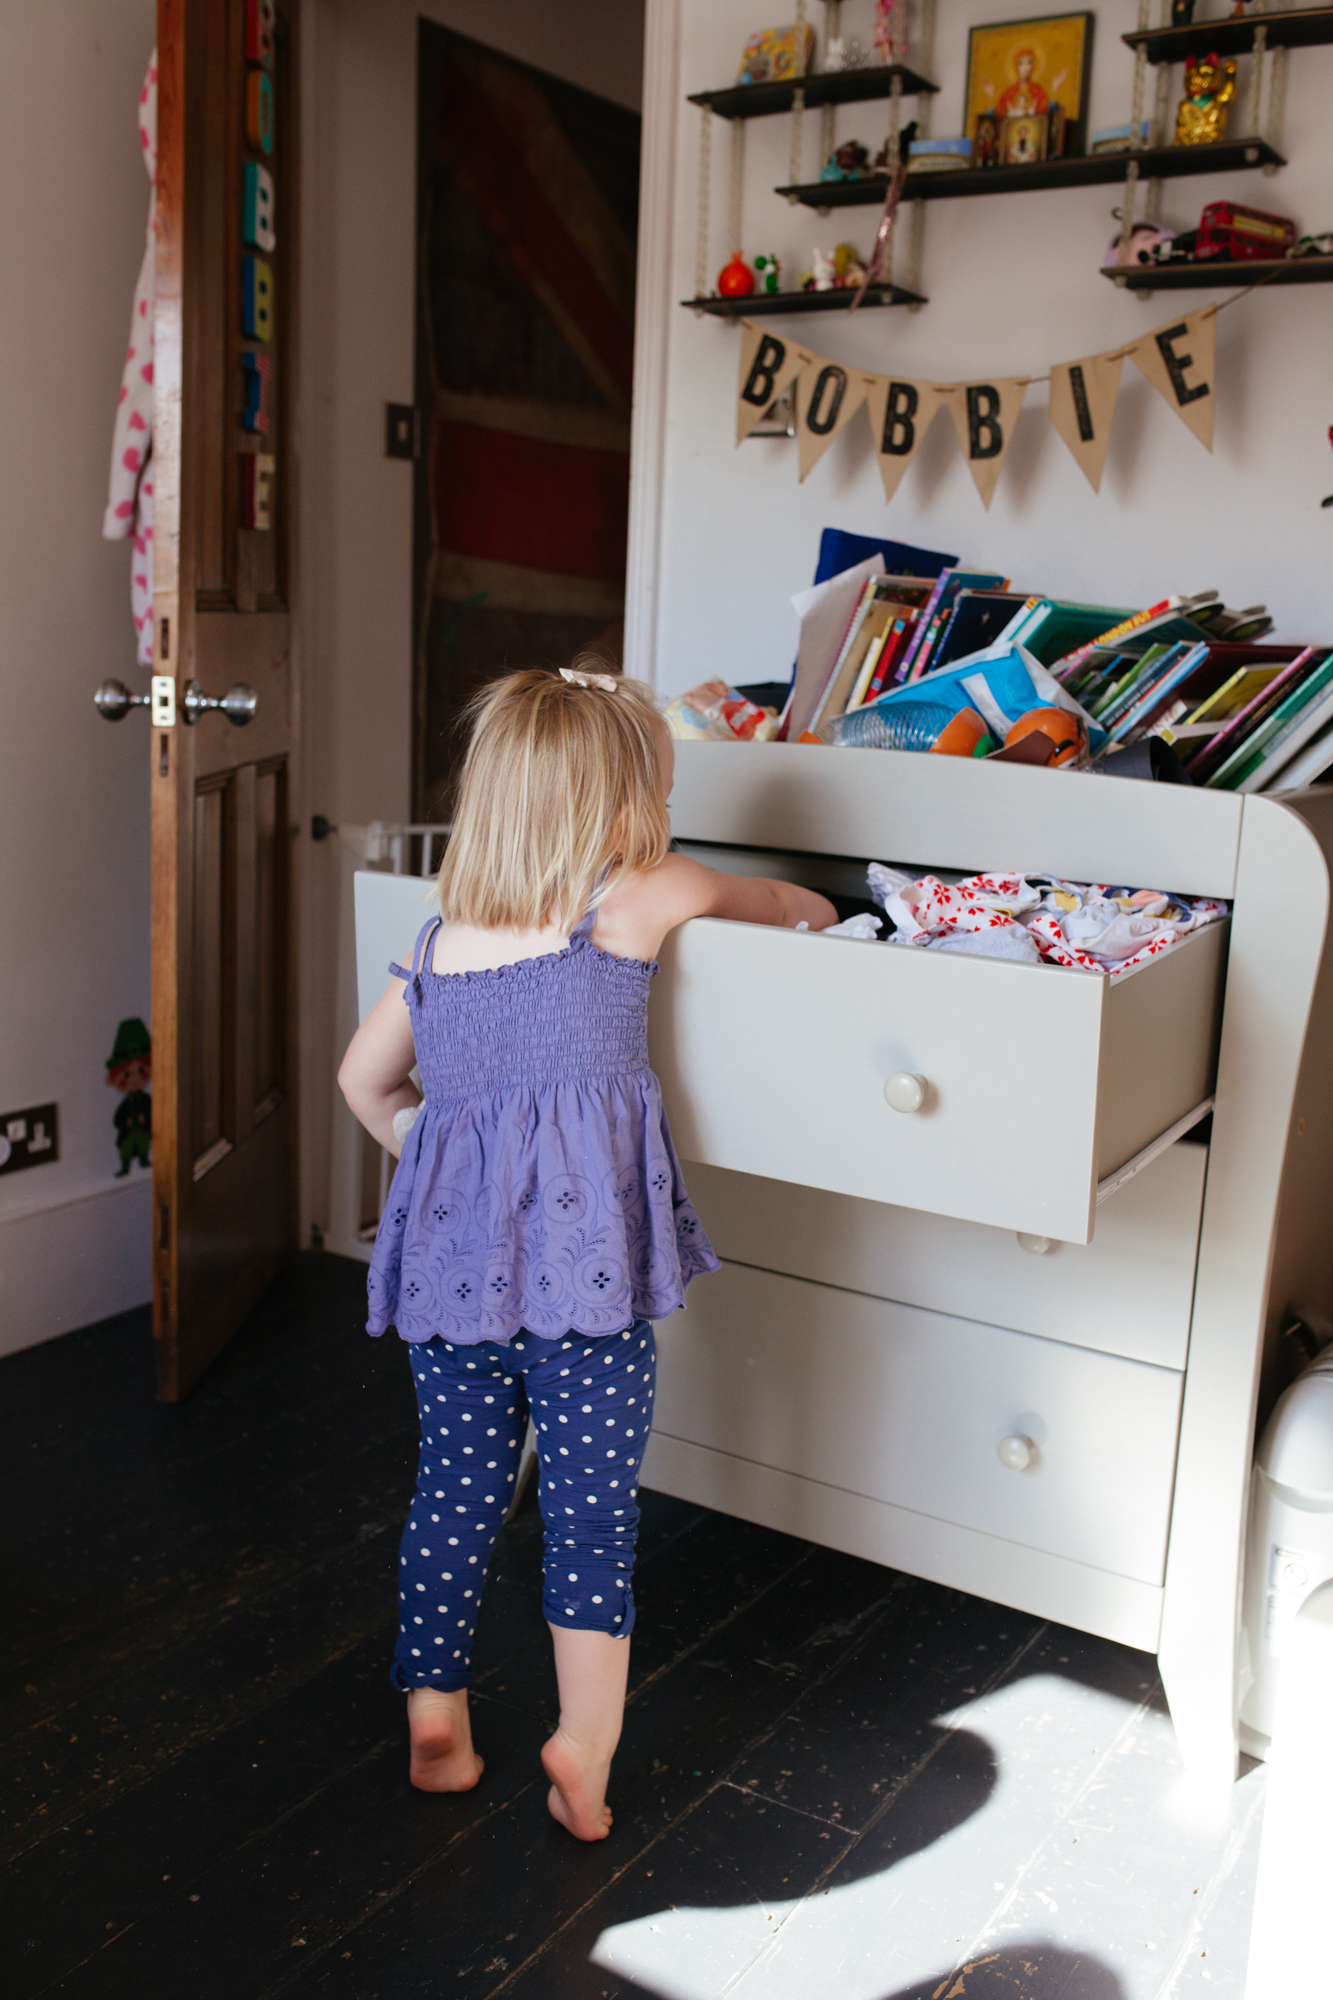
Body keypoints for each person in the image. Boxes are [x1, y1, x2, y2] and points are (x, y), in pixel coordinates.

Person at [338, 665, 836, 1841]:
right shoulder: (642, 895)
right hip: (584, 1295)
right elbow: (784, 908)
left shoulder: (438, 939)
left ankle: (437, 1715)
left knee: (454, 1496)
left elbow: (363, 1080)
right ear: (624, 811)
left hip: (451, 1296)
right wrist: (824, 914)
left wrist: (435, 1146)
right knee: (589, 1515)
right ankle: (584, 1745)